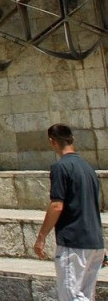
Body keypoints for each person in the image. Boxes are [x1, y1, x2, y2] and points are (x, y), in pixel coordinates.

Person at [34, 124, 105, 301]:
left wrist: (41, 237)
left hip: (74, 242)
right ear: (72, 139)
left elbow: (57, 205)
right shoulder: (88, 168)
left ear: (52, 141)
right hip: (95, 242)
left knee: (71, 296)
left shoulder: (61, 167)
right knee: (85, 296)